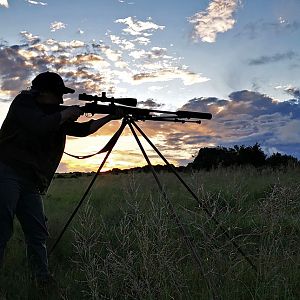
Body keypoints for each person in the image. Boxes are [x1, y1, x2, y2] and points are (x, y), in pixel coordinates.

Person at [0, 71, 120, 287]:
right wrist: (66, 114)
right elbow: (38, 125)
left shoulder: (54, 114)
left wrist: (110, 116)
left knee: (37, 232)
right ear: (43, 93)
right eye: (58, 95)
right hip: (6, 171)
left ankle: (42, 279)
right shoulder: (23, 102)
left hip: (31, 180)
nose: (62, 100)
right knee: (1, 227)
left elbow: (84, 130)